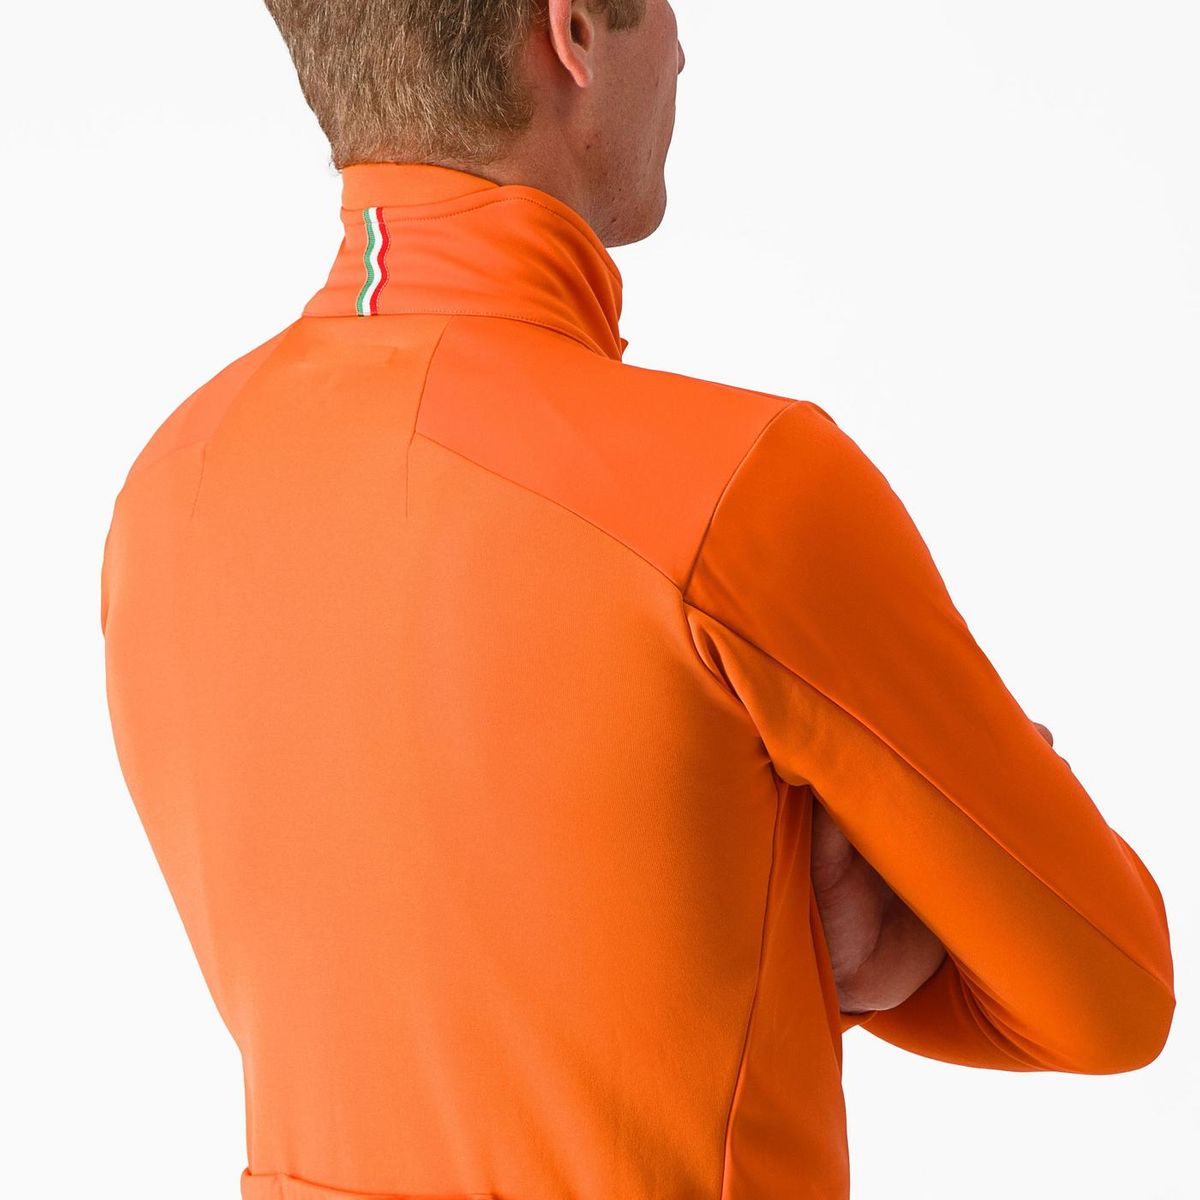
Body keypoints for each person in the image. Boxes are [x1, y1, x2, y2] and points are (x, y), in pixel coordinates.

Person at [99, 3, 1176, 1198]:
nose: (682, 45)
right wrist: (881, 953)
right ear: (572, 33)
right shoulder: (738, 491)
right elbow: (1114, 994)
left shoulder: (171, 486)